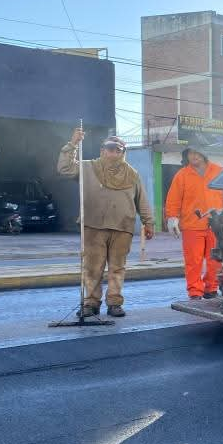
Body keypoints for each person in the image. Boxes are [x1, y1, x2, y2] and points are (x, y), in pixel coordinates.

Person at [57, 130, 154, 317]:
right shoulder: (88, 168)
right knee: (93, 268)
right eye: (110, 149)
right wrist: (72, 144)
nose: (114, 153)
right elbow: (64, 168)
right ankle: (91, 303)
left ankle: (114, 303)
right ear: (102, 151)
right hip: (94, 226)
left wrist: (148, 222)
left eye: (118, 150)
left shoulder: (132, 174)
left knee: (117, 268)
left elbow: (141, 200)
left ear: (123, 153)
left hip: (122, 228)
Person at [165, 148, 223, 300]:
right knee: (193, 262)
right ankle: (195, 292)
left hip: (216, 224)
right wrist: (172, 217)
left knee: (215, 260)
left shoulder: (219, 171)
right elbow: (174, 198)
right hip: (192, 225)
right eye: (191, 153)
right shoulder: (182, 175)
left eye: (197, 153)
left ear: (204, 154)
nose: (194, 156)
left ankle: (211, 288)